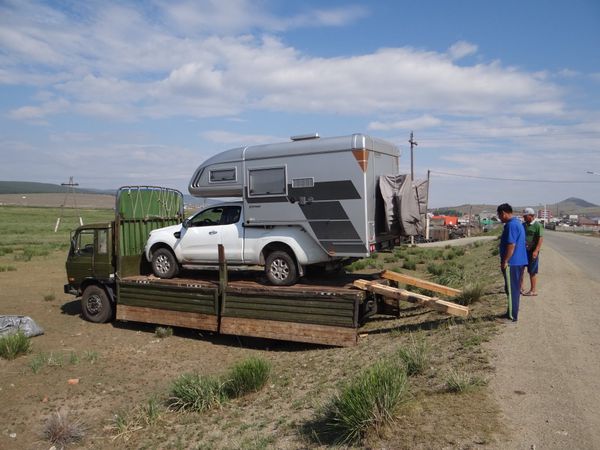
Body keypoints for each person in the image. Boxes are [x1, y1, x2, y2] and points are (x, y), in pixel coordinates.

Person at [497, 203, 528, 322]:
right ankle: (512, 311)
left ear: (504, 213)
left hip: (513, 263)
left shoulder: (511, 225)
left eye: (499, 215)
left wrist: (505, 260)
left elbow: (511, 245)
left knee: (512, 289)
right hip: (518, 262)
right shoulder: (516, 223)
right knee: (513, 288)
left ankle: (512, 315)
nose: (499, 218)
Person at [521, 207, 544, 296]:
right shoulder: (523, 225)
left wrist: (536, 251)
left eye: (526, 216)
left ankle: (533, 290)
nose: (524, 218)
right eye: (524, 216)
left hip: (532, 251)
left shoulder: (538, 225)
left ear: (531, 216)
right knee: (521, 269)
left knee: (532, 271)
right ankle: (521, 288)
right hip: (523, 251)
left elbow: (540, 238)